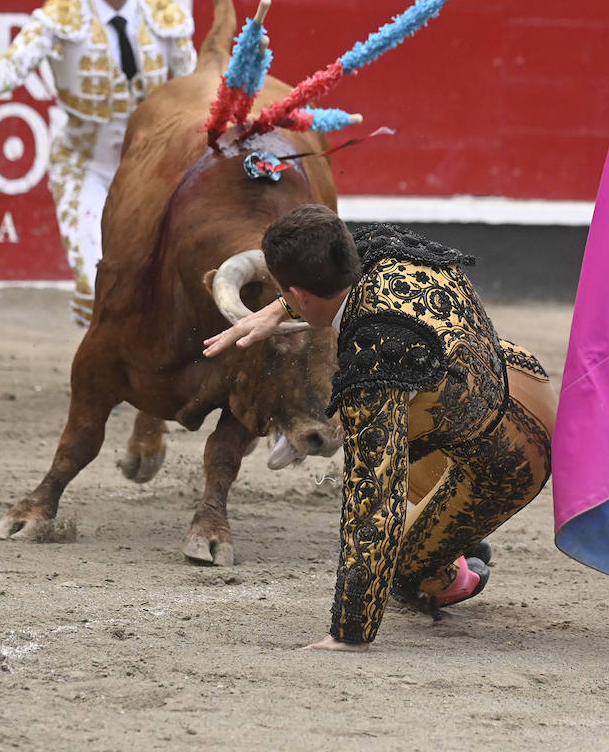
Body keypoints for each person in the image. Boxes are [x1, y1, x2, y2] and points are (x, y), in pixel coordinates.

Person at [204, 205, 556, 651]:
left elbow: (373, 505)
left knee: (401, 569)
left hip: (509, 462)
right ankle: (447, 531)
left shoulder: (374, 358)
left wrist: (349, 634)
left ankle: (453, 571)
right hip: (519, 377)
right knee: (418, 431)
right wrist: (279, 307)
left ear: (299, 290)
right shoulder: (384, 248)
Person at [0, 0, 197, 326]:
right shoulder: (59, 16)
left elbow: (191, 88)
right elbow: (10, 67)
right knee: (93, 278)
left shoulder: (164, 16)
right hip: (86, 164)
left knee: (161, 273)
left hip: (152, 167)